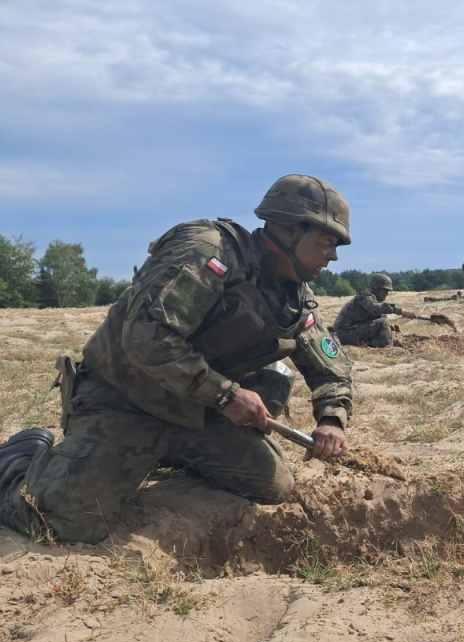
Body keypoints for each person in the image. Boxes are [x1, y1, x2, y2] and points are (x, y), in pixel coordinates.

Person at [0, 174, 355, 545]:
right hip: (123, 401)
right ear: (287, 230)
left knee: (272, 486)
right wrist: (226, 395)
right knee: (66, 521)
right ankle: (20, 458)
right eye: (327, 242)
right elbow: (146, 337)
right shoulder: (206, 252)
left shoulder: (293, 296)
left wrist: (332, 420)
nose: (332, 256)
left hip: (198, 413)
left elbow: (331, 367)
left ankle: (169, 452)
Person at [333, 274, 417, 347]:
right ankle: (388, 350)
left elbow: (373, 318)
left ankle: (374, 344)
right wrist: (400, 311)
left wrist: (389, 328)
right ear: (377, 289)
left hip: (347, 333)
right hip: (343, 334)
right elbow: (376, 307)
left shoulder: (372, 298)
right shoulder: (366, 297)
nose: (387, 293)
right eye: (385, 290)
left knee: (384, 324)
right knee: (383, 322)